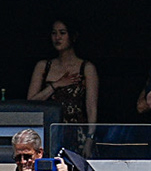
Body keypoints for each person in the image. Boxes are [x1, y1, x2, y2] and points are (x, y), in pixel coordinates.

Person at [25, 21, 98, 150]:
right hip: (48, 132)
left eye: (62, 33)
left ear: (73, 36)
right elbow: (30, 102)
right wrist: (56, 85)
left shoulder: (86, 68)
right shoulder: (43, 66)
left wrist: (89, 138)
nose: (57, 37)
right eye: (54, 33)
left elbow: (91, 107)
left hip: (77, 133)